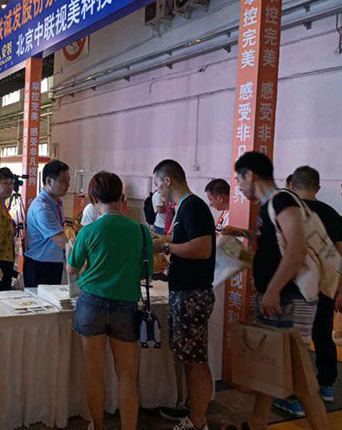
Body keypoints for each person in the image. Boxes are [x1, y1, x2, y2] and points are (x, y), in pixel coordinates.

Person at [227, 152, 329, 430]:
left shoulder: (282, 200)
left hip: (288, 298)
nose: (238, 186)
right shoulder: (270, 205)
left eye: (238, 179)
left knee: (300, 375)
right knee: (270, 365)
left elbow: (296, 247)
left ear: (250, 175)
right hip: (280, 298)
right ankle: (257, 420)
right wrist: (244, 237)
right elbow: (276, 247)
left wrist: (273, 289)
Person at [68, 172, 153, 430]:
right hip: (125, 305)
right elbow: (145, 272)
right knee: (127, 374)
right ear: (122, 198)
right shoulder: (140, 231)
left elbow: (72, 269)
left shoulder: (88, 231)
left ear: (93, 199)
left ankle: (98, 425)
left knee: (94, 370)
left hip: (91, 304)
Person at [151, 160, 216, 430]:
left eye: (158, 185)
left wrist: (167, 247)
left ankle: (198, 421)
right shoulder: (183, 208)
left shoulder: (193, 206)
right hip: (184, 291)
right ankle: (193, 407)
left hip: (193, 294)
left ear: (168, 181)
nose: (158, 191)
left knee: (195, 361)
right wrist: (166, 243)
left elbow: (202, 249)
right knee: (192, 357)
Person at [290, 165, 342, 403]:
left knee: (295, 340)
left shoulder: (288, 212)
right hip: (325, 287)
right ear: (318, 187)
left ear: (292, 186)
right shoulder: (332, 215)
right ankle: (326, 385)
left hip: (294, 287)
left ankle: (296, 387)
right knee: (322, 336)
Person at [24, 160, 71, 287]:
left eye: (68, 181)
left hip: (52, 263)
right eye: (63, 181)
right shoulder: (42, 208)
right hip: (39, 265)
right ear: (49, 181)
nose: (67, 185)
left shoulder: (56, 203)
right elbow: (62, 241)